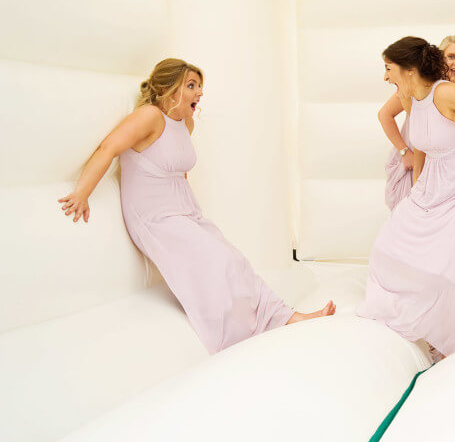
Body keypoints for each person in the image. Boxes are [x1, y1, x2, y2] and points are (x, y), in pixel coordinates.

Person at [57, 58, 335, 354]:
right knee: (220, 263)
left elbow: (178, 169)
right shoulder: (149, 116)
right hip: (154, 217)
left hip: (184, 210)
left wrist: (193, 214)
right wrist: (81, 193)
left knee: (235, 261)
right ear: (168, 89)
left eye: (199, 86)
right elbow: (108, 148)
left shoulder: (185, 123)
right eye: (191, 86)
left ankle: (288, 318)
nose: (199, 93)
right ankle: (236, 341)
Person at [358, 37, 455, 361]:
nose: (386, 76)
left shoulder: (445, 92)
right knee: (386, 248)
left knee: (450, 268)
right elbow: (421, 146)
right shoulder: (410, 97)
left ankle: (444, 345)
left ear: (409, 70)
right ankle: (405, 319)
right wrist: (417, 186)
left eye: (389, 69)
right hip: (430, 185)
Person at [379, 35, 455, 210]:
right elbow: (385, 115)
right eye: (451, 57)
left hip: (453, 168)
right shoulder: (417, 86)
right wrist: (404, 151)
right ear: (440, 59)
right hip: (417, 154)